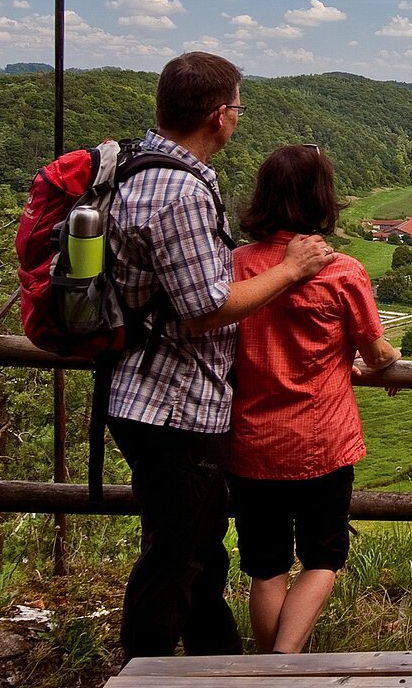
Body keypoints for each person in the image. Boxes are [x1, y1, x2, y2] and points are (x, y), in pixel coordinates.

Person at [106, 52, 335, 660]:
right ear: (219, 116)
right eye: (237, 107)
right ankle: (145, 672)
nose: (237, 118)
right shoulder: (179, 192)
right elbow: (203, 309)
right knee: (175, 559)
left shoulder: (140, 167)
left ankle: (222, 664)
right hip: (173, 405)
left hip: (154, 398)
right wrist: (289, 271)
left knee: (200, 554)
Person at [228, 143, 401, 654]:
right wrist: (390, 360)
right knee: (323, 558)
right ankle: (283, 666)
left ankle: (268, 669)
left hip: (252, 443)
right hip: (322, 441)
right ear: (323, 199)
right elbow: (376, 352)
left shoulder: (237, 266)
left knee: (266, 567)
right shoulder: (343, 271)